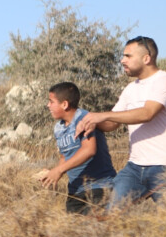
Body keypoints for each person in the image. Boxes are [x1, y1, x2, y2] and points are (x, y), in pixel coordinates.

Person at [76, 36, 166, 209]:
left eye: (128, 56)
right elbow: (112, 123)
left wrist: (101, 116)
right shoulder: (130, 89)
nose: (122, 60)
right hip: (134, 168)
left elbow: (147, 113)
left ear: (146, 58)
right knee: (111, 215)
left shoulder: (165, 81)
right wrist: (84, 119)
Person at [39, 82, 116, 214]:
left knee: (93, 228)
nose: (48, 105)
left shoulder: (84, 118)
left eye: (51, 101)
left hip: (99, 187)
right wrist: (52, 174)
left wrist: (59, 170)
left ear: (65, 104)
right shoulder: (59, 128)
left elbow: (89, 150)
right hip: (75, 191)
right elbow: (65, 156)